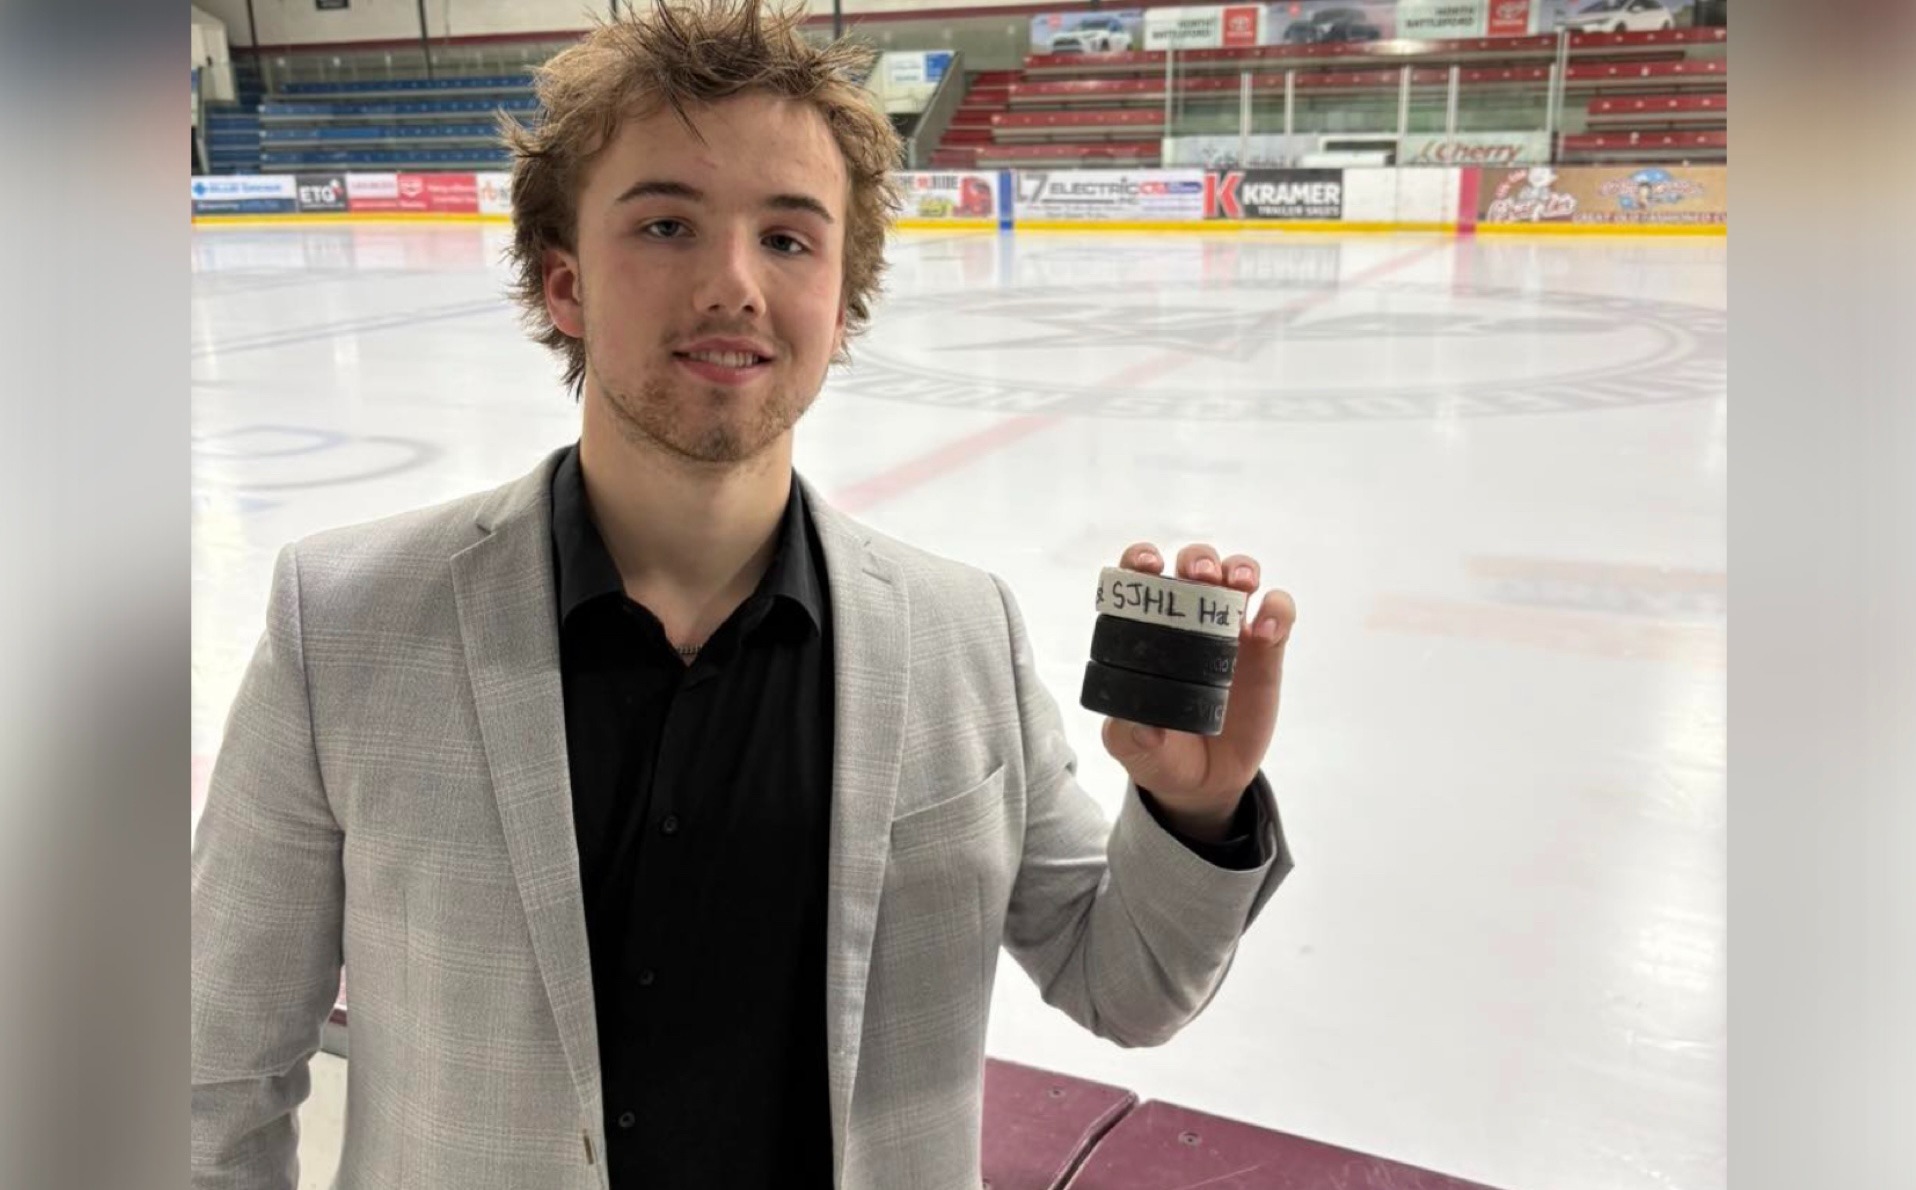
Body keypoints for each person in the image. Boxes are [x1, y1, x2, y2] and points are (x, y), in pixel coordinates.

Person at [189, 2, 1298, 1187]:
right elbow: (215, 1074)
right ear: (563, 283)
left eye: (786, 237)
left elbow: (1119, 984)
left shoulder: (959, 633)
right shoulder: (348, 623)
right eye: (666, 223)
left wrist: (1196, 812)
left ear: (840, 301)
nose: (732, 284)